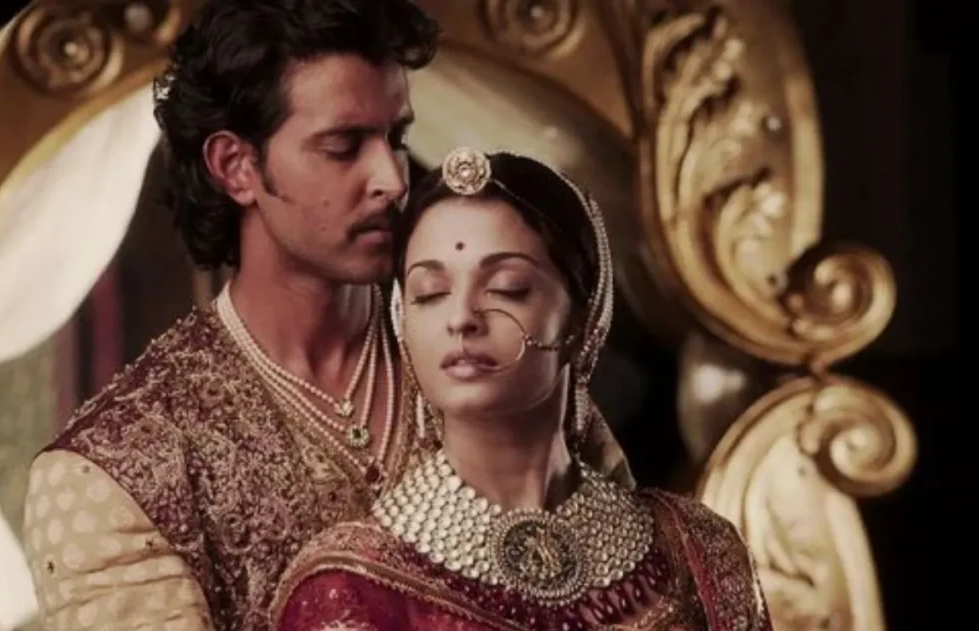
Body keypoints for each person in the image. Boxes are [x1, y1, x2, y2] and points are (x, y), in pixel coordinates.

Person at [20, 2, 631, 630]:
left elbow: (632, 586)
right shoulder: (115, 470)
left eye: (396, 139)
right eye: (343, 147)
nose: (392, 179)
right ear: (236, 167)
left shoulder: (492, 353)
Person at [273, 148, 773, 631]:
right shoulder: (350, 588)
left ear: (580, 317)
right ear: (402, 320)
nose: (461, 319)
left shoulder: (698, 550)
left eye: (507, 288)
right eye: (431, 293)